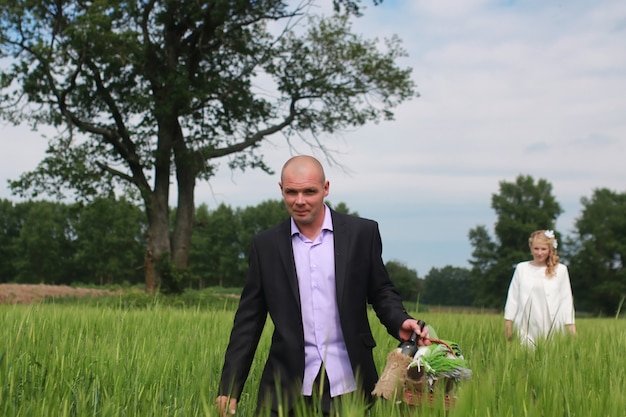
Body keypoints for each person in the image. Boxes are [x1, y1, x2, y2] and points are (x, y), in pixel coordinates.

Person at [216, 155, 428, 416]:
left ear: (326, 188)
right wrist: (230, 387)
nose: (300, 201)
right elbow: (248, 321)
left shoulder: (362, 234)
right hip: (285, 389)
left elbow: (381, 291)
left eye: (309, 191)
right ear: (281, 189)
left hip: (349, 383)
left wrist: (400, 321)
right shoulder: (266, 246)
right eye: (292, 192)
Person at [504, 229, 576, 347]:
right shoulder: (521, 268)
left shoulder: (560, 270)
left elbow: (566, 300)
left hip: (551, 324)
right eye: (536, 249)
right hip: (526, 324)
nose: (539, 253)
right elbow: (513, 297)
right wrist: (508, 324)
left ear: (550, 250)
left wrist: (571, 328)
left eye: (543, 249)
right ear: (530, 248)